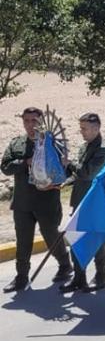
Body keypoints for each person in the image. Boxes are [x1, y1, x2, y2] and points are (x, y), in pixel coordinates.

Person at [2, 107, 73, 293]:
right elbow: (5, 167)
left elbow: (65, 171)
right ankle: (21, 277)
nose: (30, 125)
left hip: (47, 201)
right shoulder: (17, 144)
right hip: (23, 202)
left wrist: (57, 180)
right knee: (23, 240)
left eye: (34, 121)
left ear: (42, 121)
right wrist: (25, 162)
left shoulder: (53, 144)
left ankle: (65, 265)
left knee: (51, 236)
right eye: (26, 121)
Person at [60, 113, 105, 293]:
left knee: (96, 239)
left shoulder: (104, 151)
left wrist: (69, 164)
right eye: (81, 127)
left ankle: (101, 276)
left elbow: (87, 173)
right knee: (76, 238)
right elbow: (78, 176)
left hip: (95, 202)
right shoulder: (85, 147)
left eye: (84, 128)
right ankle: (79, 277)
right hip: (80, 200)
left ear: (96, 128)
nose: (81, 131)